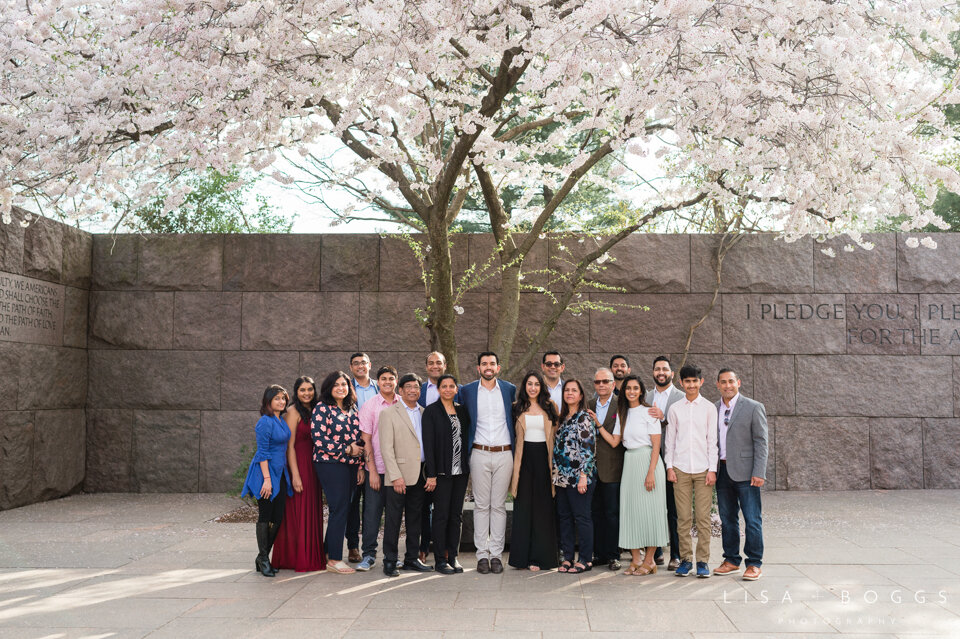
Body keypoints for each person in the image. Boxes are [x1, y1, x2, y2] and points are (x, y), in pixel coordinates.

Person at [458, 351, 517, 575]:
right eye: (484, 364)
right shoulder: (468, 391)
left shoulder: (509, 389)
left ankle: (496, 556)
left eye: (492, 363)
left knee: (499, 505)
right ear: (478, 368)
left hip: (504, 453)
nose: (488, 367)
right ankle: (481, 555)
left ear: (498, 367)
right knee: (482, 506)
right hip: (479, 453)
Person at [713, 368, 768, 581]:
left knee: (752, 519)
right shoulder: (714, 408)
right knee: (727, 519)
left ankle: (754, 563)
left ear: (739, 382)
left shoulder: (754, 407)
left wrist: (759, 471)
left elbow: (761, 442)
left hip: (747, 472)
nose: (727, 385)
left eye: (731, 381)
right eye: (723, 382)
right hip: (722, 470)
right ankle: (731, 560)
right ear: (717, 384)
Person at [664, 364, 718, 578]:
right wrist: (669, 467)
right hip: (681, 468)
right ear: (681, 383)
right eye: (687, 381)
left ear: (701, 382)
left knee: (703, 518)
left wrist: (712, 469)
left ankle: (703, 561)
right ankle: (686, 560)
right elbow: (670, 441)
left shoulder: (709, 408)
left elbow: (712, 441)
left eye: (695, 381)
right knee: (684, 518)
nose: (691, 384)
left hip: (704, 468)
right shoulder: (675, 408)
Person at [311, 370, 365, 574]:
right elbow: (319, 439)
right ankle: (334, 559)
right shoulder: (322, 408)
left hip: (351, 465)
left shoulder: (352, 408)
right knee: (339, 508)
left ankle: (327, 552)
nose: (341, 388)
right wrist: (346, 449)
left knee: (345, 508)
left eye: (344, 384)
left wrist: (359, 465)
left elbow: (358, 440)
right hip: (330, 464)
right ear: (329, 388)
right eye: (336, 385)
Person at [379, 373, 433, 576]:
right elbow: (386, 448)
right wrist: (395, 476)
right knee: (393, 520)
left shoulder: (424, 412)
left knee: (415, 519)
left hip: (420, 474)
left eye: (416, 387)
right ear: (400, 391)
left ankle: (412, 558)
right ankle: (390, 561)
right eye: (408, 387)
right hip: (398, 476)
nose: (412, 390)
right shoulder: (388, 413)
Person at [615, 375, 669, 575]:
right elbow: (615, 441)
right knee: (631, 512)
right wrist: (597, 424)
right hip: (629, 463)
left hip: (648, 462)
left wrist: (651, 473)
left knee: (651, 513)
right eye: (628, 388)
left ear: (641, 391)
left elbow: (656, 445)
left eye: (635, 388)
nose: (631, 391)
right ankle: (636, 559)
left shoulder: (649, 412)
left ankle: (650, 560)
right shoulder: (622, 413)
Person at [271, 377, 325, 572]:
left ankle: (312, 554)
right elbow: (289, 447)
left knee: (312, 509)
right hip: (300, 464)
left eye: (310, 389)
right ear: (296, 392)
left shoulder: (317, 408)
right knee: (300, 509)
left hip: (315, 465)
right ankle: (296, 558)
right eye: (302, 390)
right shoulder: (292, 412)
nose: (307, 393)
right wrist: (295, 475)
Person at [508, 371, 560, 571]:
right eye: (529, 384)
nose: (533, 388)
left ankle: (542, 558)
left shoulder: (550, 407)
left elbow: (556, 433)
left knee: (543, 509)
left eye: (536, 384)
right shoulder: (516, 408)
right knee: (524, 507)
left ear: (541, 387)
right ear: (524, 386)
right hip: (524, 460)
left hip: (544, 460)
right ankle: (522, 558)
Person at [240, 385, 293, 578]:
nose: (281, 401)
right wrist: (267, 480)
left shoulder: (280, 420)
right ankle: (264, 558)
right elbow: (262, 453)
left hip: (280, 473)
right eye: (277, 398)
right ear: (268, 401)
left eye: (283, 398)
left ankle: (261, 557)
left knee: (277, 518)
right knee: (265, 516)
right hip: (265, 474)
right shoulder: (264, 422)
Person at [423, 374, 471, 574]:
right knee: (441, 515)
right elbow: (429, 445)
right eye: (444, 386)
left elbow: (465, 438)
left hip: (460, 472)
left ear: (456, 389)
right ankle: (441, 559)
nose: (448, 389)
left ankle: (453, 556)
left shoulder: (462, 411)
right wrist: (431, 474)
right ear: (438, 389)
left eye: (452, 386)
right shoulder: (431, 412)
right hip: (441, 473)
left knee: (456, 516)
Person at [355, 366, 400, 572]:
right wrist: (371, 470)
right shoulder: (370, 406)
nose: (388, 382)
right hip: (378, 469)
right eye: (383, 379)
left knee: (394, 515)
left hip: (398, 472)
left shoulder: (403, 404)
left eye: (391, 378)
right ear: (378, 382)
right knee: (372, 513)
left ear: (396, 381)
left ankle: (392, 555)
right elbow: (366, 440)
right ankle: (369, 555)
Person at [645, 356, 686, 570]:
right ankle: (657, 551)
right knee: (653, 506)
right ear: (653, 372)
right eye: (657, 369)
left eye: (665, 369)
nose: (661, 372)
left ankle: (676, 555)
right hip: (650, 459)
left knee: (673, 508)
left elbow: (686, 426)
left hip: (673, 459)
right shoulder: (646, 396)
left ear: (672, 373)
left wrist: (664, 418)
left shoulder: (681, 397)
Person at [553, 379, 596, 574]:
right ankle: (568, 557)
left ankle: (586, 559)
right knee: (565, 518)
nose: (569, 393)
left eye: (574, 390)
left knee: (582, 517)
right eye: (567, 390)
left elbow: (588, 450)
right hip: (562, 479)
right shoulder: (562, 418)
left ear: (580, 395)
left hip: (579, 478)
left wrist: (583, 476)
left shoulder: (584, 418)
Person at [417, 351, 448, 563]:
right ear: (426, 366)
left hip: (447, 457)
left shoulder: (455, 390)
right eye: (431, 363)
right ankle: (422, 547)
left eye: (439, 363)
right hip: (422, 457)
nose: (435, 366)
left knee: (444, 506)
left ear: (445, 365)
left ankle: (444, 547)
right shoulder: (416, 390)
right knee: (422, 506)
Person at [589, 367, 622, 571]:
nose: (601, 385)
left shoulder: (621, 405)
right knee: (595, 512)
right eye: (598, 382)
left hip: (612, 468)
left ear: (613, 384)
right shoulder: (589, 404)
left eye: (605, 381)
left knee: (612, 514)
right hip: (592, 468)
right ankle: (599, 554)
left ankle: (613, 555)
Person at [346, 352, 377, 563]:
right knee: (353, 502)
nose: (360, 366)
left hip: (378, 453)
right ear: (351, 367)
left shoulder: (380, 387)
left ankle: (369, 547)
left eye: (363, 363)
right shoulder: (345, 389)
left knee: (372, 504)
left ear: (369, 365)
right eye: (356, 363)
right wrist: (358, 461)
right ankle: (353, 546)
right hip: (355, 452)